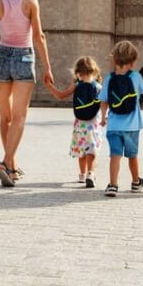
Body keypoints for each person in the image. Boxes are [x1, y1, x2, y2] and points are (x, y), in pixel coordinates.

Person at [0, 0, 54, 187]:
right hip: (24, 57)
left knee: (5, 117)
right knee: (19, 117)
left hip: (2, 58)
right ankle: (5, 163)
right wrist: (48, 67)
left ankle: (11, 166)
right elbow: (38, 36)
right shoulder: (31, 2)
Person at [99, 41, 143, 197]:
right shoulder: (135, 76)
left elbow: (104, 100)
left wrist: (103, 118)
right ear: (133, 61)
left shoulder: (109, 78)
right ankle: (135, 182)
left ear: (114, 60)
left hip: (113, 125)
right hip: (132, 126)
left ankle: (113, 185)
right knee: (132, 155)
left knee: (115, 155)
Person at [45, 56, 103, 188]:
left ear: (78, 72)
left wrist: (49, 85)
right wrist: (105, 117)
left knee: (81, 149)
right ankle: (91, 173)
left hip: (80, 124)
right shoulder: (99, 87)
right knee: (91, 151)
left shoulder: (77, 85)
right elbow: (105, 104)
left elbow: (60, 95)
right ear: (94, 71)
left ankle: (82, 175)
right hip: (93, 124)